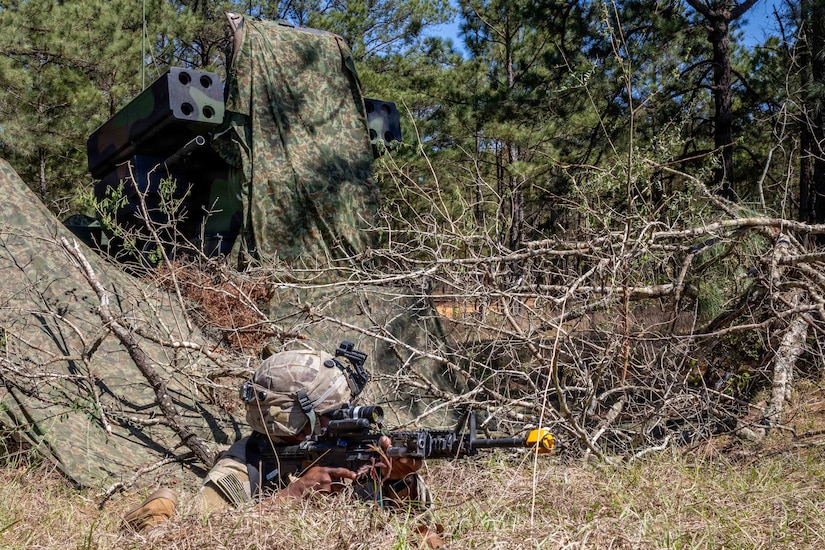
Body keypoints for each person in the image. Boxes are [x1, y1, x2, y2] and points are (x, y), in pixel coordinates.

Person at [123, 346, 443, 547]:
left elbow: (421, 531)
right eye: (333, 414)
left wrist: (398, 480)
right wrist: (291, 497)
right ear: (287, 422)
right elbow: (199, 535)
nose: (345, 421)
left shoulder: (354, 447)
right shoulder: (242, 465)